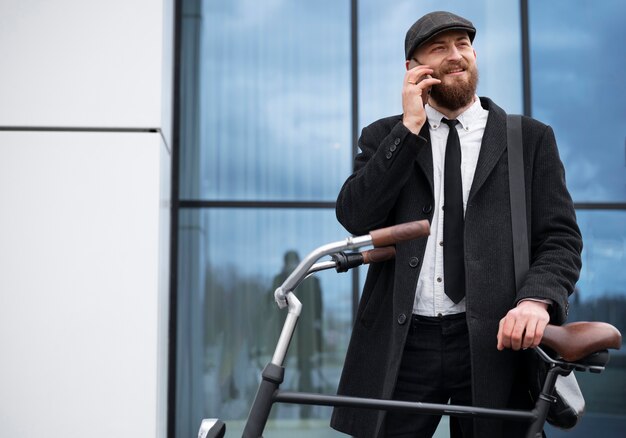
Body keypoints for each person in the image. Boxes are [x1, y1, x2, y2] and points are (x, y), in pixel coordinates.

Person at [330, 11, 582, 438]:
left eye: (462, 44)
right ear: (413, 69)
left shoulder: (529, 139)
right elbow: (356, 216)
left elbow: (560, 238)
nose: (455, 55)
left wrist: (535, 301)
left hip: (495, 342)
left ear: (474, 54)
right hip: (404, 342)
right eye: (439, 47)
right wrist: (410, 127)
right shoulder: (384, 136)